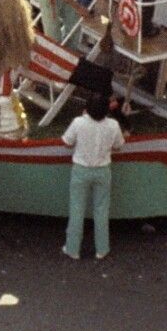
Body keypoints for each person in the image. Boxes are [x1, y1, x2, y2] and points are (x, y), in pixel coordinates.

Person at [62, 92, 121, 259]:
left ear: (86, 109)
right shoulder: (114, 125)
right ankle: (102, 249)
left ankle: (73, 249)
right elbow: (118, 146)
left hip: (80, 170)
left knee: (77, 209)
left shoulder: (78, 122)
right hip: (103, 170)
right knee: (102, 210)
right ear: (107, 110)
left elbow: (67, 143)